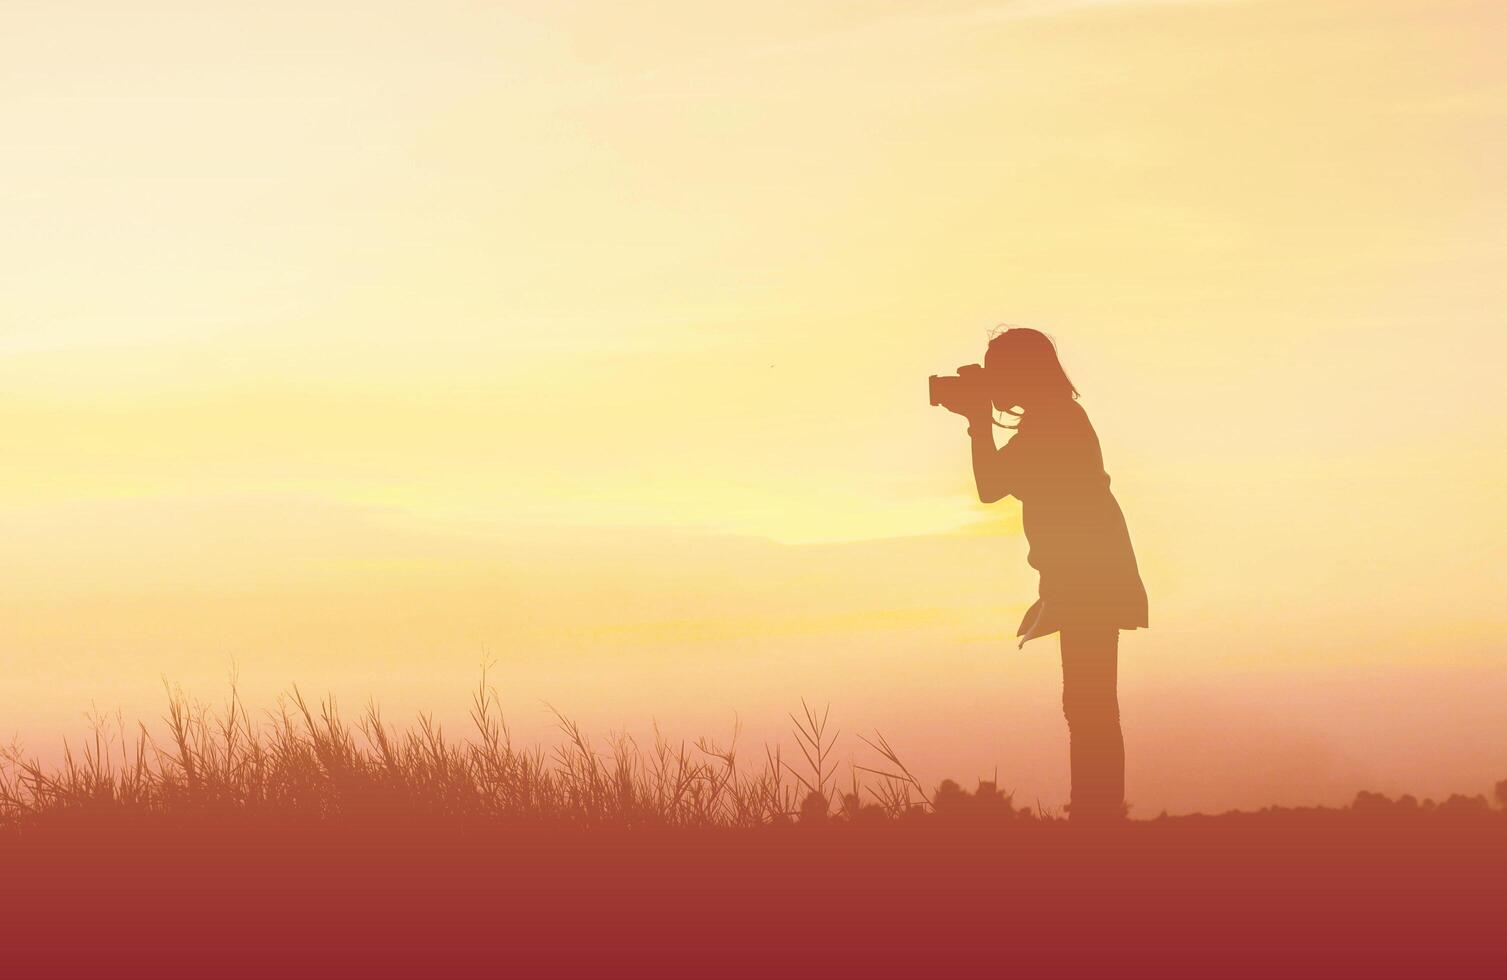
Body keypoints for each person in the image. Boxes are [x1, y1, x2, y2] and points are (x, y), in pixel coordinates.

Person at [942, 327, 1148, 823]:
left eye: (998, 370)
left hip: (1088, 577)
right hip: (1087, 573)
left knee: (1089, 707)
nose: (992, 381)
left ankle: (1096, 821)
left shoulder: (1053, 423)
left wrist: (976, 422)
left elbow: (990, 487)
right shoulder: (1056, 419)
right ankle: (1097, 816)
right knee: (1090, 705)